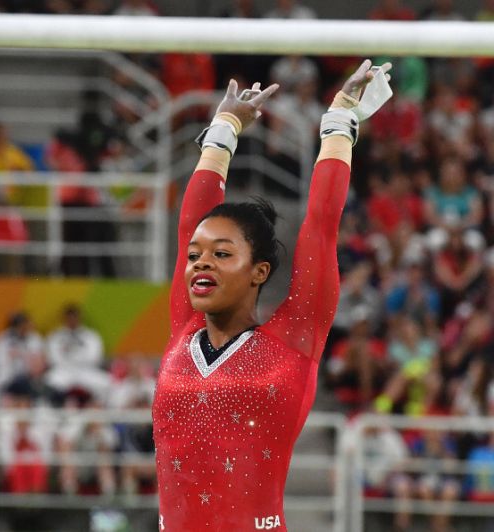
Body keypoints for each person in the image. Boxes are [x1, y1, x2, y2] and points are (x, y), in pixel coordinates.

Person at [152, 60, 391, 530]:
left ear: (260, 271)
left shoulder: (295, 336)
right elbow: (189, 229)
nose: (200, 262)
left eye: (222, 254)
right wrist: (223, 129)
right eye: (196, 256)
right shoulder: (184, 328)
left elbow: (321, 227)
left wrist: (341, 119)